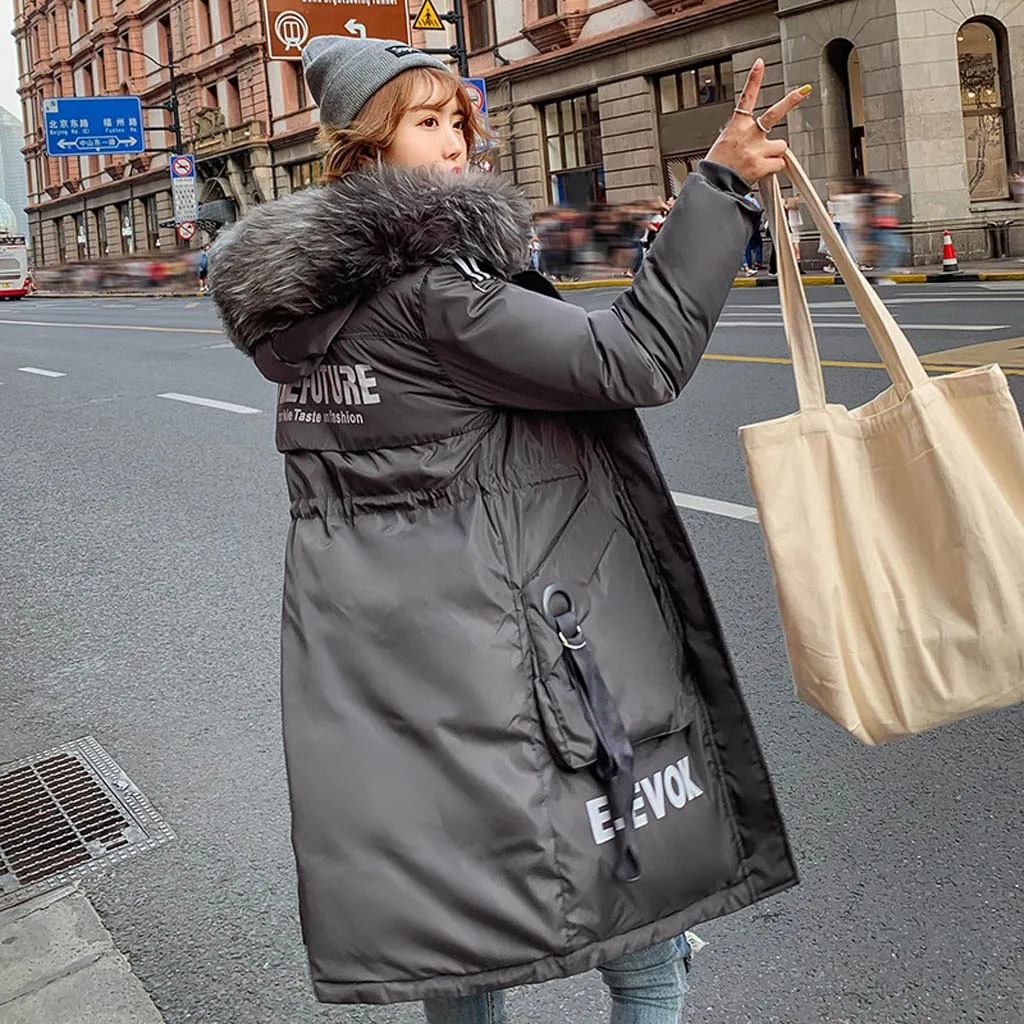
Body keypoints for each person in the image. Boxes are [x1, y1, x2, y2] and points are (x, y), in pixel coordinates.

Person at [209, 38, 808, 1024]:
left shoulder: (309, 321)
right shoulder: (434, 299)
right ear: (367, 144)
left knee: (464, 954)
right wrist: (719, 187)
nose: (454, 145)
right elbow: (635, 359)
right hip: (526, 679)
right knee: (648, 955)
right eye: (427, 121)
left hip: (403, 696)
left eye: (458, 122)